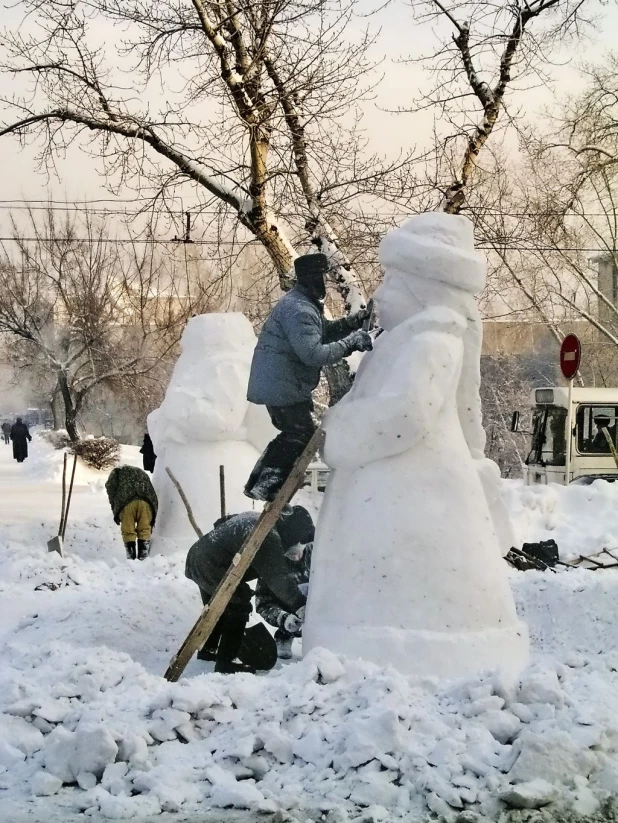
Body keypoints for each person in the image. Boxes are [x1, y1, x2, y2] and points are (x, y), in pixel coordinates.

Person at [244, 253, 373, 502]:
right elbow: (313, 353)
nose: (326, 283)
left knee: (295, 433)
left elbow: (322, 332)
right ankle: (267, 485)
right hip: (282, 386)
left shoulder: (302, 303)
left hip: (282, 384)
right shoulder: (299, 309)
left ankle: (261, 483)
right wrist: (351, 344)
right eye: (323, 277)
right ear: (313, 279)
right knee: (301, 434)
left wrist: (352, 323)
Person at [185, 505, 314, 674]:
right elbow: (278, 578)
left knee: (220, 608)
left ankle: (209, 649)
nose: (298, 547)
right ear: (292, 533)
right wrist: (300, 605)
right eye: (298, 541)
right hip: (212, 566)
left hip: (200, 557)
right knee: (238, 606)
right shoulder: (269, 536)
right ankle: (226, 662)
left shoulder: (262, 520)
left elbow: (221, 523)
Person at [255, 541, 312, 660]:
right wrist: (283, 618)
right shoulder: (272, 567)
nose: (296, 558)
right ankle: (284, 635)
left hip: (321, 615)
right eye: (291, 555)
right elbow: (263, 603)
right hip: (293, 616)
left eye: (298, 553)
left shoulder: (319, 554)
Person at [105, 465, 158, 560]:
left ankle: (131, 557)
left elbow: (110, 488)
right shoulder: (140, 472)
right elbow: (152, 491)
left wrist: (115, 508)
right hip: (146, 501)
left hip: (126, 501)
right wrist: (153, 513)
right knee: (145, 528)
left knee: (128, 530)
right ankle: (143, 557)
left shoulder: (116, 473)